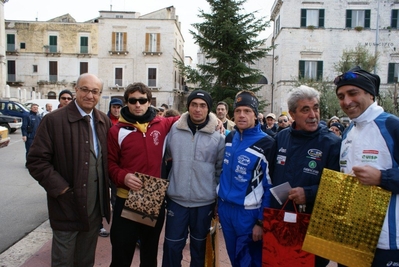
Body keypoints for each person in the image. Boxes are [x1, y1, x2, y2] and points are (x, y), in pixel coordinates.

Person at [26, 73, 112, 266]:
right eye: (85, 89)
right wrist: (62, 190)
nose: (90, 95)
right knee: (63, 260)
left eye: (95, 91)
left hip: (94, 207)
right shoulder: (53, 120)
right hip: (66, 206)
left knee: (85, 259)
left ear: (100, 94)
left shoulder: (103, 121)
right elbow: (36, 161)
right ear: (76, 90)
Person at [107, 82, 180, 267]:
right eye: (133, 100)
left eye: (142, 100)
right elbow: (109, 164)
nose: (138, 104)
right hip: (126, 198)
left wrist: (216, 120)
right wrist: (123, 177)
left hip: (152, 196)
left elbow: (187, 117)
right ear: (127, 103)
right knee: (121, 256)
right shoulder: (116, 131)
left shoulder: (162, 124)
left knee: (149, 255)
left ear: (149, 102)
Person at [334, 66, 399, 266]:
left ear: (370, 94)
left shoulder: (391, 125)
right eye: (341, 96)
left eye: (353, 93)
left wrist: (382, 178)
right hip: (353, 236)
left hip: (386, 242)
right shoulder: (348, 132)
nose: (346, 101)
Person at [270, 85, 341, 267]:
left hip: (314, 228)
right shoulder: (281, 137)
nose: (313, 115)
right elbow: (271, 175)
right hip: (283, 222)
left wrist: (308, 193)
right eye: (305, 109)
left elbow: (338, 190)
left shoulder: (331, 143)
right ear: (293, 114)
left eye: (316, 108)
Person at [162, 90, 225, 267]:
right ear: (188, 106)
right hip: (177, 200)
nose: (198, 109)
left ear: (208, 109)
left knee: (200, 250)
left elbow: (220, 170)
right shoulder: (174, 130)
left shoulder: (218, 136)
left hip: (204, 202)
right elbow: (164, 157)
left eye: (202, 105)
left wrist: (217, 200)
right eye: (194, 104)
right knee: (172, 248)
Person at [217, 90, 276, 266]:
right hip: (226, 209)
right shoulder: (230, 137)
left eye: (247, 111)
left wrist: (261, 220)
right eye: (238, 111)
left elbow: (270, 187)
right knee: (234, 259)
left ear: (256, 115)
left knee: (249, 261)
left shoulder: (267, 143)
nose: (242, 115)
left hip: (248, 214)